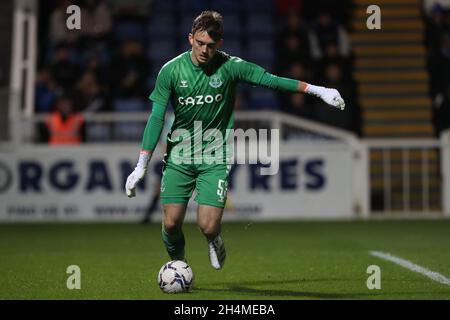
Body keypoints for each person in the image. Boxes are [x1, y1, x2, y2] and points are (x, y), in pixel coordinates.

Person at [125, 11, 345, 270]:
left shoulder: (230, 66)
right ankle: (179, 266)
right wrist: (141, 165)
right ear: (190, 39)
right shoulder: (171, 71)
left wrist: (317, 90)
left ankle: (214, 239)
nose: (204, 50)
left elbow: (270, 81)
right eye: (199, 43)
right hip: (179, 156)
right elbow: (156, 119)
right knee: (172, 223)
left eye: (210, 45)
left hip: (214, 156)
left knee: (207, 225)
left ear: (219, 44)